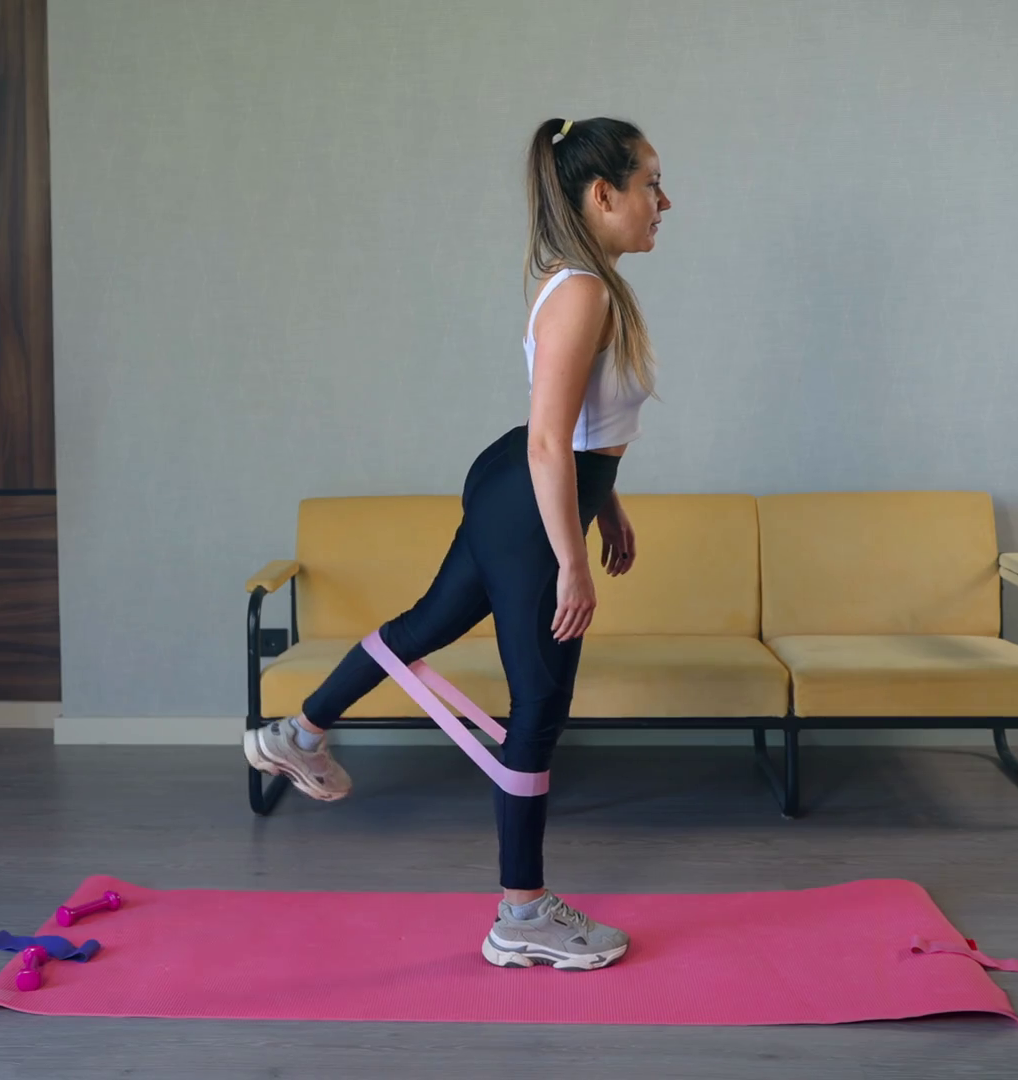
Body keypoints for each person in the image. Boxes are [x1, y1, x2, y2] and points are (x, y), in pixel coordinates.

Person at [244, 117, 669, 971]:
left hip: (526, 490)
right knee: (540, 705)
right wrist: (573, 561)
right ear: (603, 194)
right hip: (531, 500)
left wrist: (608, 504)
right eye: (651, 183)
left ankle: (296, 731)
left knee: (427, 623)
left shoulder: (593, 283)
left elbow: (586, 433)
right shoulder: (583, 289)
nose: (665, 201)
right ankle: (521, 913)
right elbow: (552, 443)